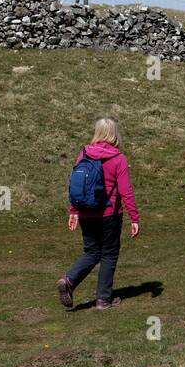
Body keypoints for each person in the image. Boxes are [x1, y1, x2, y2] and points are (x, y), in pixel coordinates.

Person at [56, 116, 140, 309]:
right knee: (109, 254)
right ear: (114, 134)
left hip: (86, 212)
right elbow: (126, 191)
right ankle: (103, 299)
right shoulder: (118, 158)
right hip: (109, 214)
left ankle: (68, 281)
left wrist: (74, 211)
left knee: (92, 252)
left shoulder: (84, 154)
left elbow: (76, 185)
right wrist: (134, 217)